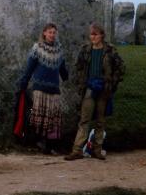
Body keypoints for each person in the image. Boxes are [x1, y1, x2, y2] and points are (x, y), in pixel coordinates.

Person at [65, 24, 125, 161]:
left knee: (100, 120)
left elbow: (120, 67)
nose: (93, 37)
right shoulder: (85, 50)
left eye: (96, 34)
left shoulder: (110, 50)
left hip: (103, 88)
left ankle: (97, 150)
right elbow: (78, 68)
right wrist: (82, 82)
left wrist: (111, 82)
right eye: (91, 34)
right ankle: (77, 150)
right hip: (89, 87)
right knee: (84, 119)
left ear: (102, 35)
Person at [19, 23, 68, 154]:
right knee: (40, 117)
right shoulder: (37, 48)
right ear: (44, 33)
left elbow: (62, 68)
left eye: (54, 32)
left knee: (53, 117)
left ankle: (51, 145)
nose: (52, 35)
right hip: (40, 88)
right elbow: (30, 67)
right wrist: (24, 82)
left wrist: (65, 76)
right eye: (50, 32)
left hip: (54, 89)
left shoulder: (59, 50)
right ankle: (40, 142)